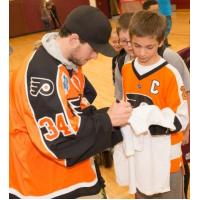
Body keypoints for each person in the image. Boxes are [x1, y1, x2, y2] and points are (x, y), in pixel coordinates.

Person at [9, 5, 133, 199]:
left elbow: (78, 113)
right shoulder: (42, 76)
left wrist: (115, 118)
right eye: (93, 49)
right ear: (74, 40)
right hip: (44, 184)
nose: (95, 56)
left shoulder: (70, 64)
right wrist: (108, 120)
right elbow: (60, 142)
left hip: (73, 173)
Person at [113, 10, 188, 198]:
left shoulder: (169, 74)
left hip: (166, 158)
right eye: (137, 46)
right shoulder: (127, 68)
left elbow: (181, 119)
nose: (142, 52)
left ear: (161, 42)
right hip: (139, 155)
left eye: (149, 47)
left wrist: (150, 119)